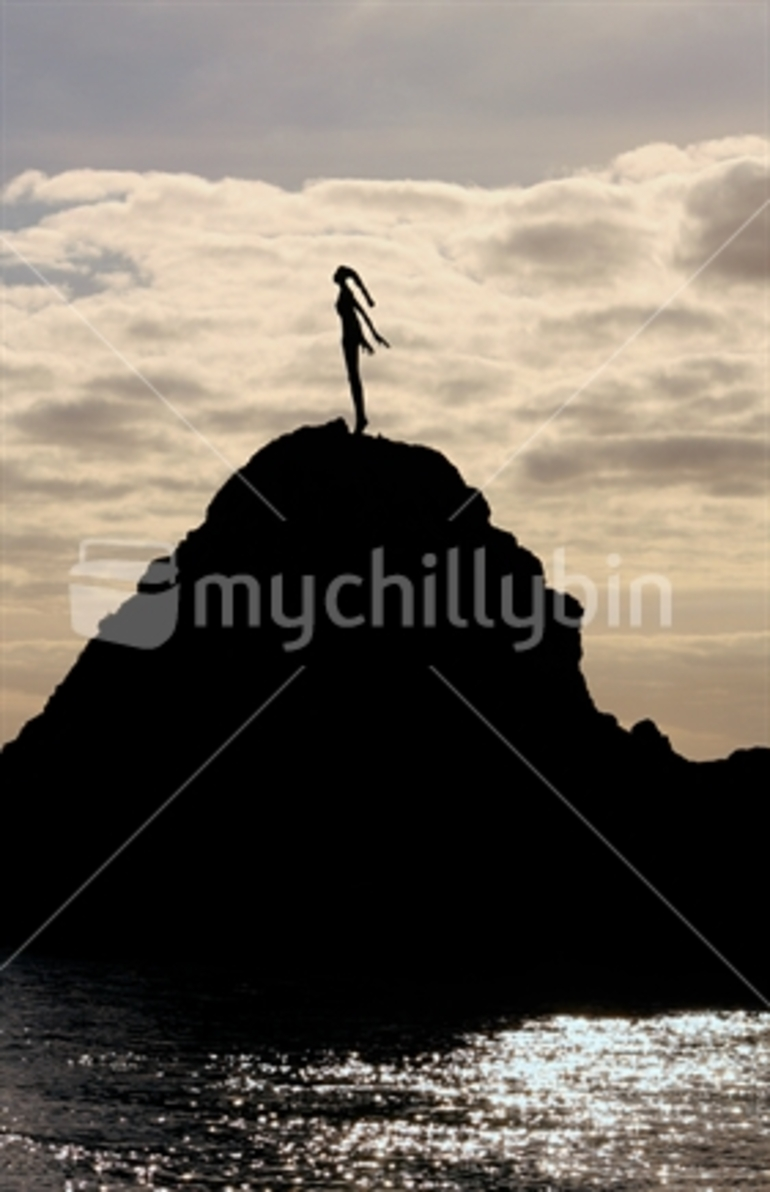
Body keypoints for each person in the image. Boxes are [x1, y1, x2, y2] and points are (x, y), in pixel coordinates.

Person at [333, 266, 390, 434]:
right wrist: (369, 336)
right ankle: (360, 416)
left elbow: (359, 317)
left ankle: (361, 417)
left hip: (350, 337)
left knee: (354, 378)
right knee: (353, 378)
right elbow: (361, 316)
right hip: (349, 337)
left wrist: (367, 337)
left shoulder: (346, 294)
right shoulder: (345, 293)